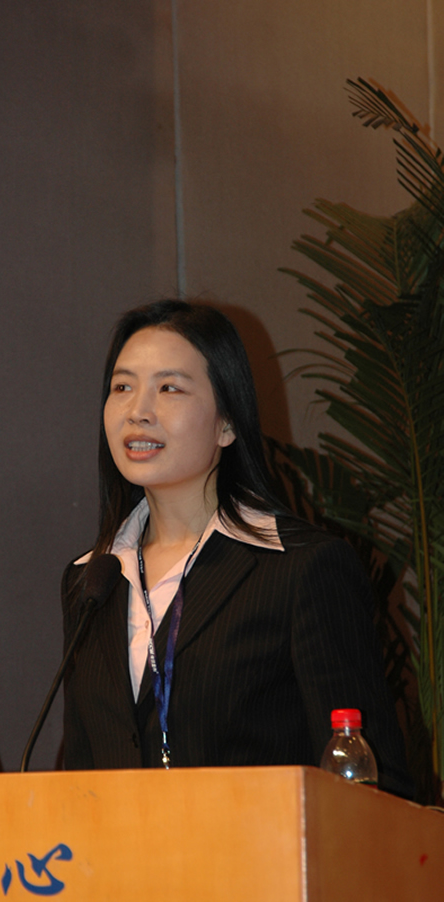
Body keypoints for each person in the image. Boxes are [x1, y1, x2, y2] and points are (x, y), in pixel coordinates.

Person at [61, 299, 413, 798]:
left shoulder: (300, 569)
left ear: (227, 423)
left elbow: (373, 785)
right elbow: (79, 777)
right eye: (122, 387)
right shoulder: (92, 580)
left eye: (169, 388)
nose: (138, 411)